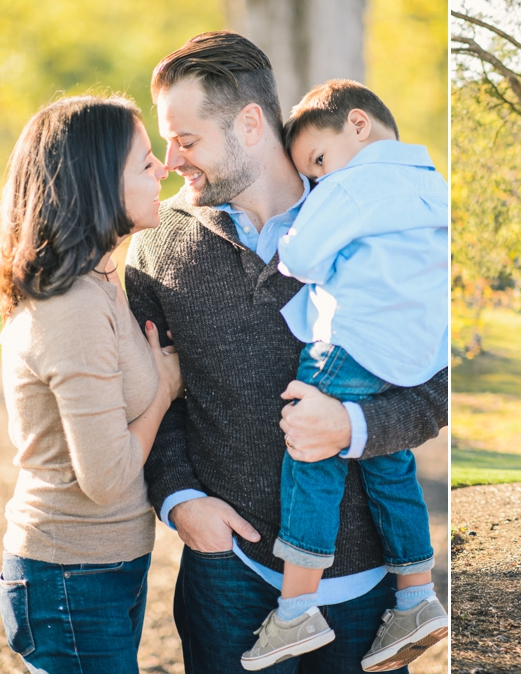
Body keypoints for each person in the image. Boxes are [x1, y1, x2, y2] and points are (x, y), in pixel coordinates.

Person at [125, 32, 448, 674]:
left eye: (186, 140)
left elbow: (436, 389)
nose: (170, 160)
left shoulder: (372, 219)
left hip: (367, 588)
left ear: (249, 124)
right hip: (227, 574)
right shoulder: (156, 247)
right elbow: (147, 395)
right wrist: (179, 498)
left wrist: (354, 427)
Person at [239, 80, 448, 672]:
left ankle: (296, 609)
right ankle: (415, 595)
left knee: (310, 457)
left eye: (319, 164)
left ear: (358, 125)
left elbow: (301, 259)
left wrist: (298, 221)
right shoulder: (435, 186)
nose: (319, 181)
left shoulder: (356, 184)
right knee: (392, 464)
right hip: (410, 357)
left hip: (350, 340)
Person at [0, 95, 181, 672]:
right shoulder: (72, 306)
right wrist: (164, 390)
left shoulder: (100, 281)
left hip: (101, 569)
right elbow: (105, 478)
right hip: (69, 578)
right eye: (145, 162)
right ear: (98, 182)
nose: (164, 170)